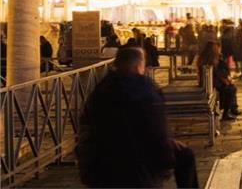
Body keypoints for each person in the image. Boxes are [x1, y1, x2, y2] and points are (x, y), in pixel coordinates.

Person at [76, 44, 199, 188]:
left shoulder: (101, 90)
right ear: (138, 65)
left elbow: (86, 128)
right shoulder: (145, 90)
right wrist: (166, 157)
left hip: (101, 163)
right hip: (138, 165)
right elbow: (156, 131)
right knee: (186, 155)